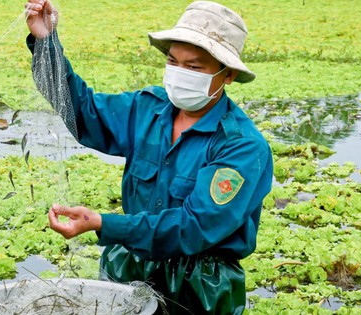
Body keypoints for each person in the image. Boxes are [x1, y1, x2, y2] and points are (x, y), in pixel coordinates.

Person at [24, 1, 273, 314]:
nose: (180, 73)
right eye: (173, 61)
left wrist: (104, 223)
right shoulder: (147, 109)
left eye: (194, 67)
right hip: (129, 269)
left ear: (228, 75)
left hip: (197, 288)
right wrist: (46, 42)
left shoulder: (240, 146)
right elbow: (81, 113)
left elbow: (193, 227)